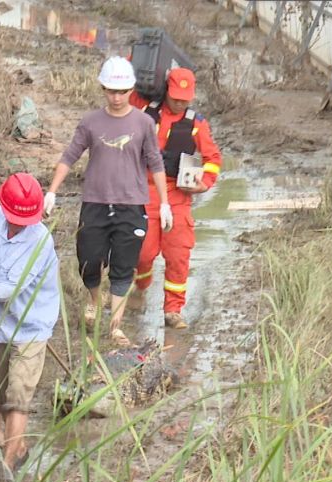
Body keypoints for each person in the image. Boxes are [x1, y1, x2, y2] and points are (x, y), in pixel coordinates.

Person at [45, 56, 170, 347]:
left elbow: (155, 161)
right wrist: (51, 190)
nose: (117, 97)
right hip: (96, 203)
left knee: (123, 267)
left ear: (131, 90)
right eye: (111, 91)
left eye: (122, 91)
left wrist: (163, 202)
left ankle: (115, 326)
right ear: (103, 89)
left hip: (131, 205)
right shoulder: (90, 122)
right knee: (88, 260)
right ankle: (93, 298)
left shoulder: (143, 123)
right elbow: (70, 156)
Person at [0, 173, 60, 482]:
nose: (18, 224)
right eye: (13, 218)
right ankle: (13, 443)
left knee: (19, 394)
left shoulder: (41, 240)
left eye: (24, 219)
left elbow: (9, 288)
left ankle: (6, 462)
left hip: (31, 325)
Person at [130, 67, 223, 329]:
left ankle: (173, 309)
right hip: (145, 192)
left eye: (185, 97)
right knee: (143, 251)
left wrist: (203, 183)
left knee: (178, 253)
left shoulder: (197, 124)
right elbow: (130, 74)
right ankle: (142, 282)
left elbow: (213, 159)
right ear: (166, 90)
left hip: (177, 194)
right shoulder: (145, 110)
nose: (180, 102)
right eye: (175, 96)